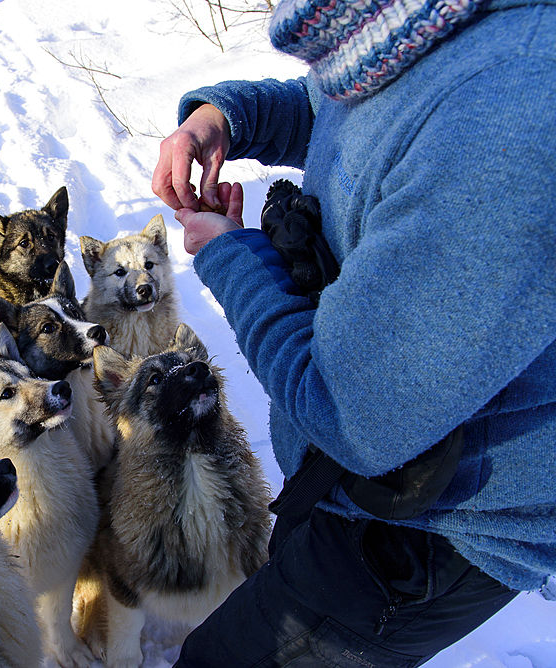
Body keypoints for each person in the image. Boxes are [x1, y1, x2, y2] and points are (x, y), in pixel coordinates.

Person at [152, 0, 556, 664]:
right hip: (348, 482)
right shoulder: (415, 22)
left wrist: (228, 255)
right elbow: (348, 107)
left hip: (426, 529)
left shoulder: (513, 108)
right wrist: (224, 118)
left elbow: (350, 410)